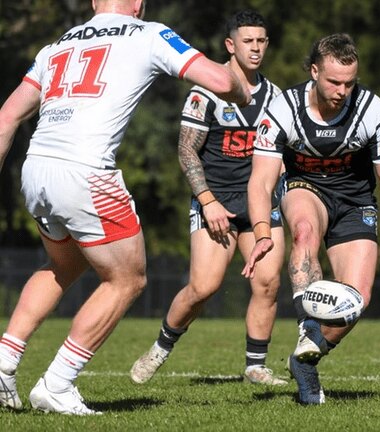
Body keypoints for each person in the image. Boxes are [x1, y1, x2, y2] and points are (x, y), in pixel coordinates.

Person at [0, 0, 250, 415]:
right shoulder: (148, 33)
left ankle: (4, 361)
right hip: (85, 174)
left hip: (37, 171)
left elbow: (7, 117)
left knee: (64, 265)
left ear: (96, 2)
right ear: (138, 3)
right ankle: (58, 383)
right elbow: (220, 82)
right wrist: (243, 89)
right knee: (128, 278)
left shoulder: (57, 45)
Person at [242, 33, 380, 405]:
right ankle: (307, 325)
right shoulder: (282, 109)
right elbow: (261, 180)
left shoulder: (372, 110)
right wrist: (262, 231)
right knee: (305, 233)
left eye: (349, 82)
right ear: (313, 72)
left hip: (356, 200)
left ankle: (306, 359)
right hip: (304, 188)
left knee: (355, 301)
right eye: (333, 82)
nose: (343, 90)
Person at [129, 10, 286, 386]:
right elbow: (186, 151)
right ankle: (161, 347)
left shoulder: (276, 97)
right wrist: (208, 201)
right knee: (204, 287)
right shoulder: (206, 92)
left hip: (259, 203)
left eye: (261, 41)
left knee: (268, 282)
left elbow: (282, 153)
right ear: (230, 45)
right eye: (248, 41)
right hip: (214, 201)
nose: (256, 48)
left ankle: (256, 366)